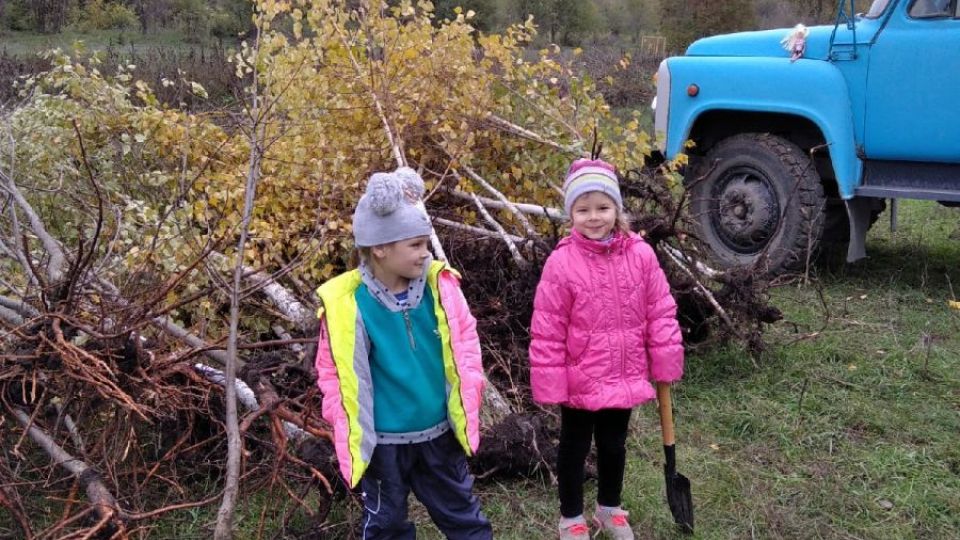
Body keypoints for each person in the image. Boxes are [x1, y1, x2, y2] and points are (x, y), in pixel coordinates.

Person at [314, 167, 492, 539]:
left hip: (439, 434)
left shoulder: (439, 289)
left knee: (463, 517)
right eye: (415, 245)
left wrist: (471, 386)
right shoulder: (348, 305)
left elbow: (467, 342)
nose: (425, 253)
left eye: (425, 243)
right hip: (383, 445)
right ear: (380, 248)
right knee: (387, 525)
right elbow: (332, 374)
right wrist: (341, 418)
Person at [529, 158, 685, 539]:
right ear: (571, 214)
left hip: (624, 372)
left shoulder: (642, 255)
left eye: (602, 207)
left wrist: (664, 358)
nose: (594, 217)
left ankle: (609, 509)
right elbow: (547, 328)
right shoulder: (561, 263)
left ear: (617, 209)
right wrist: (551, 381)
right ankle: (571, 517)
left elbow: (661, 311)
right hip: (580, 376)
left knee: (614, 445)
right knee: (574, 448)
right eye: (583, 209)